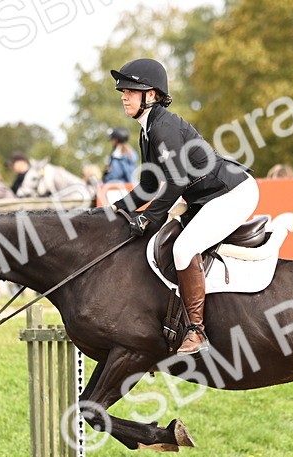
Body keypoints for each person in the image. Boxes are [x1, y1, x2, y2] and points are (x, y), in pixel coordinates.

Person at [110, 57, 258, 355]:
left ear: (150, 95)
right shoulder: (147, 130)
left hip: (231, 193)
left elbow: (175, 182)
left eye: (130, 89)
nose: (123, 94)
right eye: (122, 90)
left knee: (183, 248)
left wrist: (149, 217)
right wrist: (117, 208)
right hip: (207, 198)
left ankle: (196, 330)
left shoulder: (164, 127)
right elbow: (152, 185)